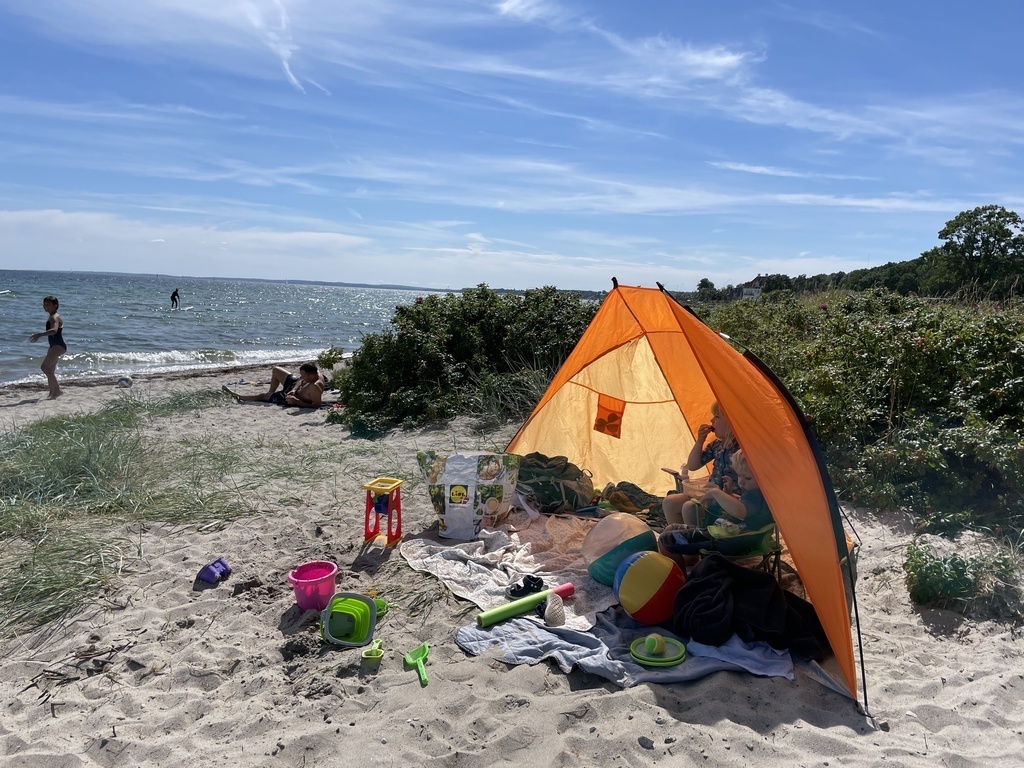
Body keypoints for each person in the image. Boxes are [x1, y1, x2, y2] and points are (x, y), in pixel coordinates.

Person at [658, 449, 774, 569]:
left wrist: (716, 493)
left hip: (727, 540)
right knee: (670, 528)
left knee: (665, 541)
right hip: (729, 535)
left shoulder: (756, 494)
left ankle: (681, 579)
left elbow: (741, 511)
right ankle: (685, 567)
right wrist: (729, 495)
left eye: (748, 478)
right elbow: (748, 509)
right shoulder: (761, 495)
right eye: (739, 475)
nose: (741, 482)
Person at [662, 401, 738, 526]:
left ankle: (694, 540)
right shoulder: (717, 445)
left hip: (729, 499)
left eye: (717, 417)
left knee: (689, 507)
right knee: (669, 502)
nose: (711, 420)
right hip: (709, 495)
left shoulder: (742, 449)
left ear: (731, 422)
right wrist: (700, 441)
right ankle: (678, 538)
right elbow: (692, 465)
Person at [223, 363, 326, 407]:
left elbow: (317, 406)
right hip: (294, 387)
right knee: (276, 370)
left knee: (262, 396)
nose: (301, 377)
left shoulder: (315, 387)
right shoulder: (316, 373)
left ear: (311, 376)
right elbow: (300, 380)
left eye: (303, 375)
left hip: (294, 396)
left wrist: (297, 402)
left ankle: (239, 396)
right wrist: (294, 389)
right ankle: (271, 392)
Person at [29, 295, 66, 399]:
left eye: (48, 304)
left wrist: (40, 334)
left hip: (58, 346)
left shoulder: (55, 317)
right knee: (50, 370)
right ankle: (52, 393)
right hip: (54, 346)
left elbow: (54, 330)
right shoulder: (52, 316)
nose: (46, 306)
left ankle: (57, 391)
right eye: (44, 304)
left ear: (56, 305)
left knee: (44, 367)